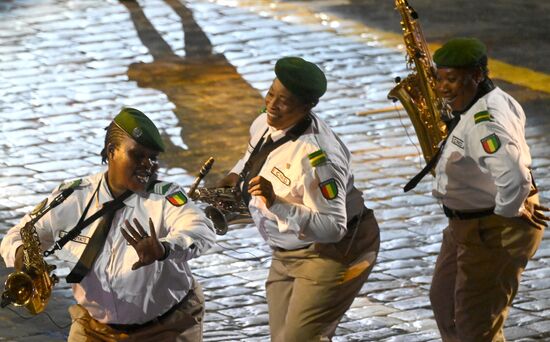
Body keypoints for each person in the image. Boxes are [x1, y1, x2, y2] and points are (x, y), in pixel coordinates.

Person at [0, 108, 216, 341]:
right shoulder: (73, 196)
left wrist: (164, 249)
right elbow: (17, 234)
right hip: (93, 328)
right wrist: (23, 254)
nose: (148, 165)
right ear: (112, 152)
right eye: (138, 155)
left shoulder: (165, 197)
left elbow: (200, 230)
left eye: (152, 158)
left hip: (167, 327)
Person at [218, 56, 380, 341]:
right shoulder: (263, 124)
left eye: (284, 102)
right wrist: (234, 176)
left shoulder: (317, 158)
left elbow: (332, 228)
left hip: (332, 252)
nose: (272, 105)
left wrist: (277, 204)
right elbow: (251, 158)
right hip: (286, 251)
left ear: (306, 107)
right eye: (270, 94)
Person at [429, 37, 549, 341]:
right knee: (446, 304)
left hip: (489, 228)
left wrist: (504, 216)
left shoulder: (486, 121)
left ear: (478, 76)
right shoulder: (475, 104)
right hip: (465, 224)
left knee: (476, 325)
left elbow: (515, 177)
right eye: (439, 78)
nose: (443, 88)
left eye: (452, 79)